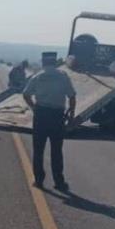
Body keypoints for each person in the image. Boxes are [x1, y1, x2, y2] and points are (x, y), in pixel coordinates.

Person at [22, 52, 76, 191]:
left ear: (43, 62)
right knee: (56, 150)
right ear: (55, 62)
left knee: (38, 149)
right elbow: (72, 96)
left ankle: (39, 180)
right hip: (57, 116)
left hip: (41, 115)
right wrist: (71, 116)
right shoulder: (63, 76)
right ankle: (58, 181)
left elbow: (26, 94)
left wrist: (34, 108)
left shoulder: (38, 76)